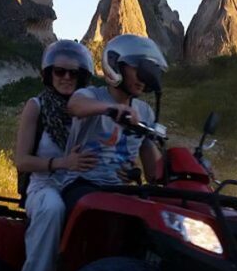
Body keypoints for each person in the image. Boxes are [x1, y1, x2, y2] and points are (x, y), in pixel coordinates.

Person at [11, 40, 97, 271]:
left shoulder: (89, 112)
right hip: (44, 185)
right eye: (59, 71)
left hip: (81, 184)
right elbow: (21, 160)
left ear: (83, 77)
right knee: (52, 209)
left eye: (74, 74)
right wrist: (61, 164)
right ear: (48, 74)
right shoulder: (36, 107)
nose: (66, 78)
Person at [60, 34, 168, 213]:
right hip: (82, 185)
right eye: (137, 68)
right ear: (115, 65)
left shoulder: (144, 112)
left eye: (148, 71)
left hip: (121, 189)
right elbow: (75, 106)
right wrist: (111, 108)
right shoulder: (92, 96)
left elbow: (153, 174)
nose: (143, 77)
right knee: (103, 216)